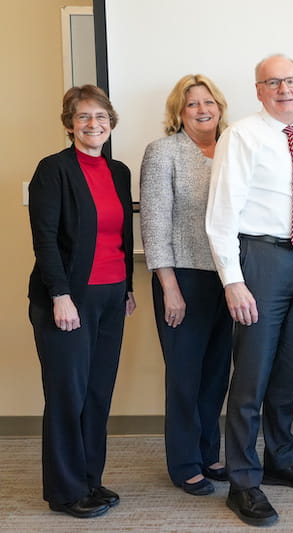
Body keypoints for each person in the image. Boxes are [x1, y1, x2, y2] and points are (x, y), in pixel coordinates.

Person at [205, 54, 293, 527]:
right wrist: (233, 280)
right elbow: (221, 212)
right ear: (258, 90)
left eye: (292, 81)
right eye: (273, 82)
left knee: (288, 372)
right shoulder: (240, 135)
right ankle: (243, 480)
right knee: (252, 378)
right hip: (259, 261)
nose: (285, 89)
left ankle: (280, 459)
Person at [27, 85, 136, 518]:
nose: (94, 124)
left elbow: (121, 237)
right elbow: (45, 240)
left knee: (97, 393)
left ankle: (90, 479)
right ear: (70, 124)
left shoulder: (119, 171)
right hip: (69, 299)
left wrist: (126, 288)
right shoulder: (52, 170)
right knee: (67, 395)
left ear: (111, 123)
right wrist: (60, 295)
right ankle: (65, 491)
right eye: (84, 117)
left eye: (101, 117)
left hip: (111, 298)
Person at [140, 74, 233, 496]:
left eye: (208, 102)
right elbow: (154, 223)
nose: (202, 110)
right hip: (182, 278)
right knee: (184, 377)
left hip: (229, 279)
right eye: (192, 103)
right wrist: (169, 286)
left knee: (216, 375)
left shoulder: (233, 148)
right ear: (179, 112)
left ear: (219, 106)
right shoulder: (164, 153)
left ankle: (210, 452)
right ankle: (183, 462)